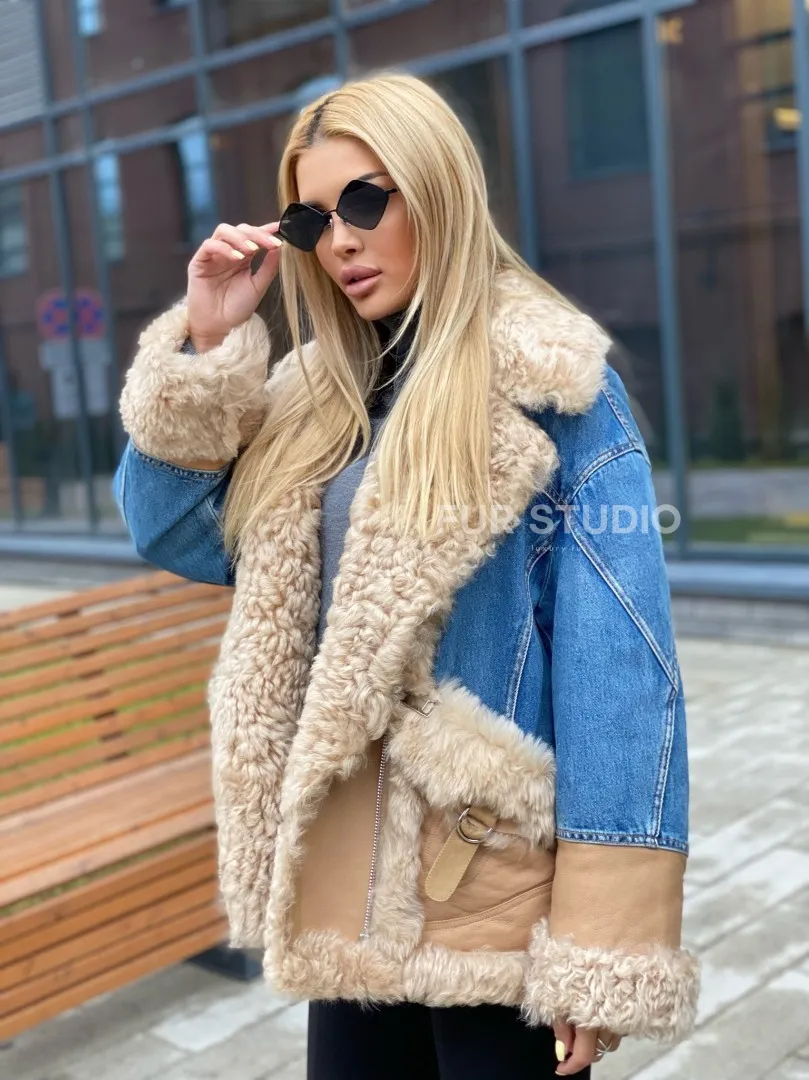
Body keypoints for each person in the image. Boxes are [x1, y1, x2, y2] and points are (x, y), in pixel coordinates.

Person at [113, 73, 699, 1080]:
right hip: (345, 888)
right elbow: (176, 534)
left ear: (437, 187)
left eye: (363, 200)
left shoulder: (553, 389)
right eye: (311, 219)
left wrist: (600, 949)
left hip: (489, 894)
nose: (339, 240)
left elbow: (622, 675)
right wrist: (208, 345)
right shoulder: (312, 400)